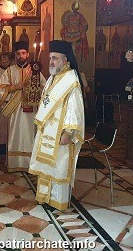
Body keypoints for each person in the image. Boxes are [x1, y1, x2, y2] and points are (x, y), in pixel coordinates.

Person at [28, 40, 85, 211]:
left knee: (59, 165)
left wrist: (68, 132)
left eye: (55, 58)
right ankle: (44, 197)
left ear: (65, 60)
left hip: (60, 133)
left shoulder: (71, 81)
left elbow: (74, 108)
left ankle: (57, 200)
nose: (51, 62)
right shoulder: (52, 77)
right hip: (47, 130)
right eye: (50, 58)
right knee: (46, 164)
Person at [0, 41, 46, 171]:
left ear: (27, 54)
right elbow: (1, 89)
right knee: (15, 134)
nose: (21, 56)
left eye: (23, 53)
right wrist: (15, 87)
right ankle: (15, 163)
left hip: (32, 111)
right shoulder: (9, 71)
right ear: (15, 55)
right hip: (15, 111)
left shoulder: (35, 70)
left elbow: (45, 88)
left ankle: (30, 164)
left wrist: (34, 90)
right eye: (18, 54)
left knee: (30, 135)